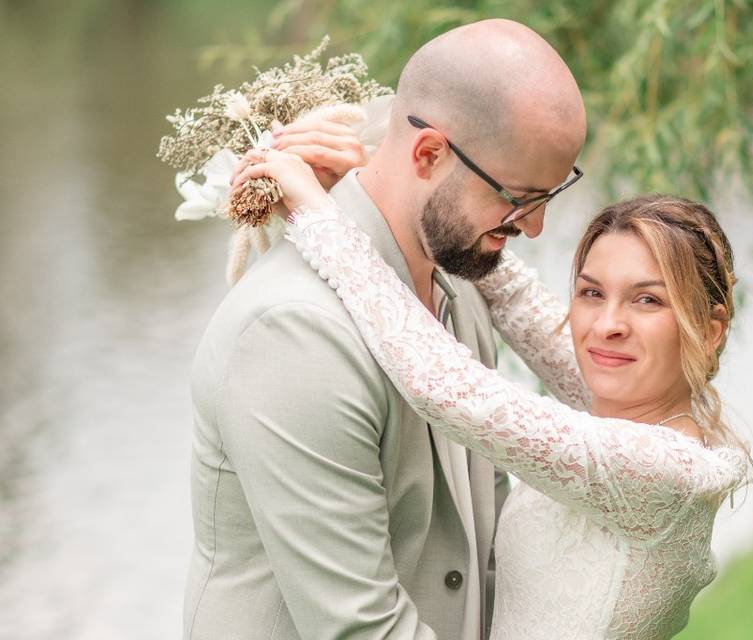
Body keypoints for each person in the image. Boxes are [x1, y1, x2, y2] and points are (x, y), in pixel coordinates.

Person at [230, 142, 753, 637]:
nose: (608, 324)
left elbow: (448, 390)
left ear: (709, 330)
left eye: (647, 301)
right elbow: (513, 296)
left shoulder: (662, 469)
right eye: (592, 292)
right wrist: (381, 181)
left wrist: (316, 213)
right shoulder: (630, 407)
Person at [183, 19, 586, 640]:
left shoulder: (464, 283)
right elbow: (362, 628)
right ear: (428, 154)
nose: (532, 229)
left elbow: (487, 535)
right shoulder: (294, 333)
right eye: (519, 197)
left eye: (550, 196)